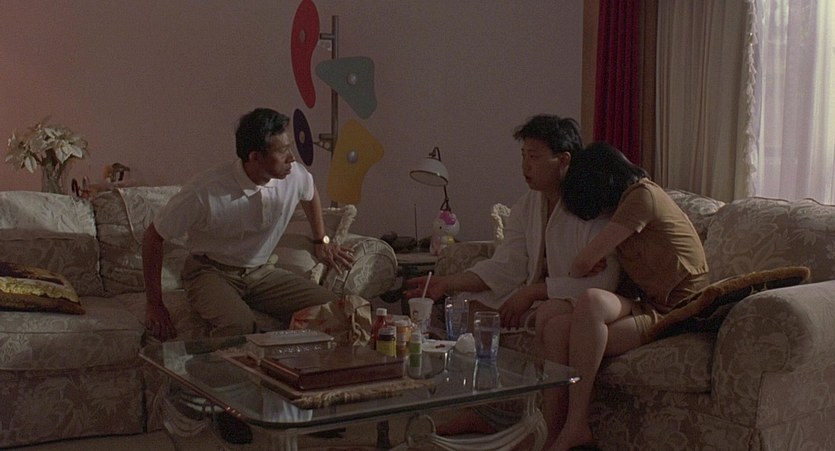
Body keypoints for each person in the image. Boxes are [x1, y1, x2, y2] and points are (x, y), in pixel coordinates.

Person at [404, 114, 622, 435]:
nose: (525, 166)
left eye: (534, 157)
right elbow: (507, 265)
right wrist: (446, 283)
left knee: (540, 319)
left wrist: (533, 292)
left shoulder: (589, 203)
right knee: (470, 309)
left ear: (564, 160)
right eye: (523, 156)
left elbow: (604, 278)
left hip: (574, 299)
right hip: (539, 293)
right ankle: (482, 411)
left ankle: (544, 427)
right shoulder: (529, 205)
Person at [540, 142, 710, 451]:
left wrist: (588, 260)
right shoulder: (627, 207)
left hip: (680, 310)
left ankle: (577, 424)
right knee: (556, 328)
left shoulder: (641, 195)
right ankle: (549, 434)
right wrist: (592, 261)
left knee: (591, 301)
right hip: (650, 304)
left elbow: (581, 264)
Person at [143, 107, 354, 342]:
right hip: (210, 272)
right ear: (255, 156)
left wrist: (320, 239)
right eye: (282, 151)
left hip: (261, 272)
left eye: (290, 147)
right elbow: (153, 236)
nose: (292, 158)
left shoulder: (293, 175)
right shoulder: (205, 190)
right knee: (239, 325)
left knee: (334, 309)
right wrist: (154, 303)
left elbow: (309, 191)